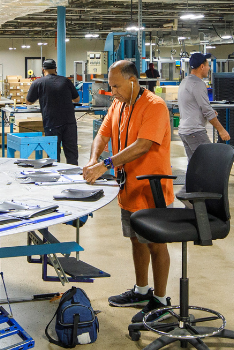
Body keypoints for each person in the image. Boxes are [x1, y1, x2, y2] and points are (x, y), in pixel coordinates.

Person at [82, 60, 174, 312]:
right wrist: (93, 160)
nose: (113, 92)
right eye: (111, 87)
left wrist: (106, 164)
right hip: (128, 188)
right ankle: (142, 291)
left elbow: (144, 144)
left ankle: (162, 301)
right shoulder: (118, 104)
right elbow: (102, 134)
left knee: (156, 244)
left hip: (151, 189)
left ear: (133, 82)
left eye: (116, 86)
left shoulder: (155, 106)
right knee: (136, 240)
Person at [25, 59, 81, 164]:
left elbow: (28, 102)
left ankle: (54, 177)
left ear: (43, 69)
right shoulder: (66, 81)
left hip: (51, 123)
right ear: (56, 69)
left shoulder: (38, 83)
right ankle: (74, 176)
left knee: (53, 155)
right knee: (72, 153)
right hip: (69, 122)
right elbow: (77, 99)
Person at [177, 52, 231, 158]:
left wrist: (205, 114)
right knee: (209, 163)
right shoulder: (197, 83)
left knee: (195, 166)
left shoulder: (185, 81)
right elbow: (207, 110)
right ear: (202, 66)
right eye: (207, 65)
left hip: (185, 131)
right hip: (194, 132)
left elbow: (192, 107)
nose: (208, 68)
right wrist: (221, 130)